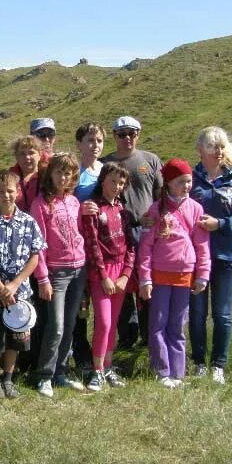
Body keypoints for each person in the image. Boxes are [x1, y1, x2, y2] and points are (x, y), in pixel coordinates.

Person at [189, 127, 232, 385]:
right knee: (196, 312)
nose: (217, 151)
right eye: (211, 146)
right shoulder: (191, 179)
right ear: (200, 150)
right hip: (195, 258)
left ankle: (218, 365)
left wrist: (221, 224)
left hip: (227, 256)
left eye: (221, 146)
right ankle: (198, 362)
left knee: (222, 314)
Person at [0, 170, 46, 400]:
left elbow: (35, 256)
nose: (6, 195)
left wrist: (14, 284)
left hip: (20, 293)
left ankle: (8, 377)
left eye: (10, 191)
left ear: (18, 192)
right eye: (1, 191)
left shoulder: (28, 222)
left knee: (15, 337)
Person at [138, 158, 210, 388]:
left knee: (178, 325)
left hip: (184, 276)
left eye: (189, 181)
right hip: (159, 276)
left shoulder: (196, 209)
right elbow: (146, 247)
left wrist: (202, 275)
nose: (186, 186)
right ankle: (162, 371)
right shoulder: (155, 210)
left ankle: (178, 373)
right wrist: (145, 278)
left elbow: (202, 245)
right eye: (181, 182)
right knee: (158, 324)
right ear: (168, 183)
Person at [100, 116, 163, 349]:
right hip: (116, 234)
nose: (127, 138)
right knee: (121, 284)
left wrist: (157, 218)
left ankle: (149, 336)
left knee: (146, 282)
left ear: (138, 134)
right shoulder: (105, 162)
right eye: (122, 133)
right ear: (114, 135)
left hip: (146, 232)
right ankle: (127, 337)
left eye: (132, 133)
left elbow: (161, 196)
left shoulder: (151, 160)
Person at [30, 153, 87, 397]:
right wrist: (42, 277)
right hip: (56, 272)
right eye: (59, 172)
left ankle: (60, 372)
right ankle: (44, 375)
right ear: (50, 174)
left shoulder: (74, 202)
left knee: (71, 323)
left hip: (79, 269)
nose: (63, 177)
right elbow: (37, 243)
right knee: (56, 325)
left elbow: (81, 232)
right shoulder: (41, 204)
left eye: (68, 173)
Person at [80, 162, 136, 391]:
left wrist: (125, 275)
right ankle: (97, 370)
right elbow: (92, 245)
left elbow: (131, 246)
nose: (117, 186)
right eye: (113, 181)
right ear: (102, 180)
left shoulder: (124, 210)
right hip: (100, 273)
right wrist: (103, 276)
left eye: (121, 183)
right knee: (102, 321)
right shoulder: (94, 209)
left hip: (121, 271)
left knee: (113, 323)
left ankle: (108, 366)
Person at [71, 123, 106, 372]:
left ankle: (103, 358)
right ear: (79, 144)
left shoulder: (106, 170)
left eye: (100, 141)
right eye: (90, 140)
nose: (95, 145)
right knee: (80, 306)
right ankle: (81, 355)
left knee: (103, 306)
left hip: (105, 247)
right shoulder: (74, 172)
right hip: (79, 246)